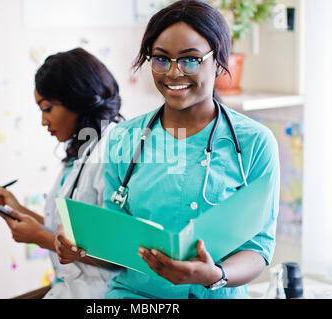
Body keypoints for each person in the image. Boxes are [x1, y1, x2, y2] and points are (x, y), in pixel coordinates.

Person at [102, 0, 280, 299]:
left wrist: (216, 276)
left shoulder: (255, 143)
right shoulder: (123, 139)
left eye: (190, 60)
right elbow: (116, 245)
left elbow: (257, 249)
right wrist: (78, 248)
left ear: (219, 60)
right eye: (160, 59)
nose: (173, 73)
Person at [0, 47, 122, 299]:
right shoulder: (79, 152)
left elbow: (116, 255)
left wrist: (39, 238)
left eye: (47, 108)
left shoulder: (114, 152)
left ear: (78, 98)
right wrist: (18, 210)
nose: (43, 121)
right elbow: (63, 231)